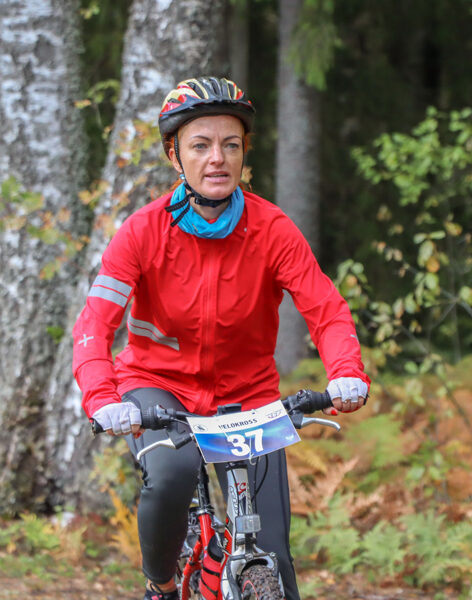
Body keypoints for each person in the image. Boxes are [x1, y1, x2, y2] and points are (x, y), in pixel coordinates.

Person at [72, 76, 370, 600]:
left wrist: (345, 370)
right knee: (172, 473)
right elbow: (94, 325)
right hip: (157, 387)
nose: (217, 159)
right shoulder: (141, 232)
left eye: (231, 145)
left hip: (247, 395)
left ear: (244, 153)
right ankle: (161, 585)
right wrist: (103, 398)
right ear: (175, 155)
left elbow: (325, 308)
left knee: (274, 555)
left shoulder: (272, 229)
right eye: (201, 145)